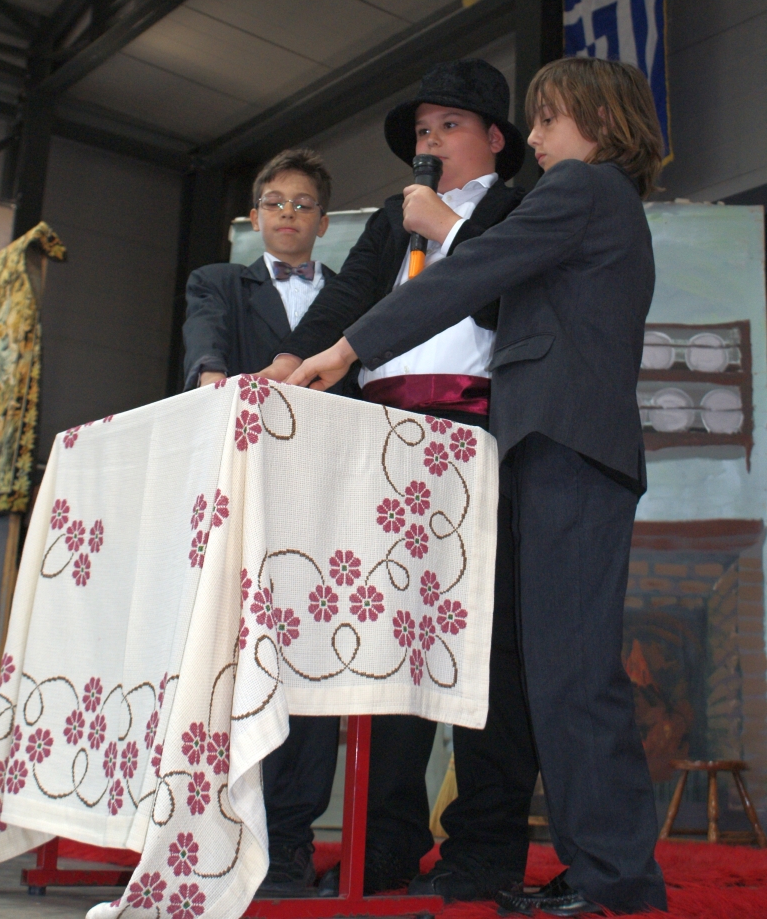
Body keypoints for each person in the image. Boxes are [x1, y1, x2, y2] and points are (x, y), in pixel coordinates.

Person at [285, 58, 668, 916]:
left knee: (574, 677)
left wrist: (348, 349)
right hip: (542, 450)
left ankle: (617, 883)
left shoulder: (584, 189)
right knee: (551, 675)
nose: (535, 137)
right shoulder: (590, 203)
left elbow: (469, 274)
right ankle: (599, 867)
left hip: (567, 447)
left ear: (601, 121)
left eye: (548, 119)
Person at [262, 59, 537, 902]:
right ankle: (383, 841)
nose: (431, 141)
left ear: (494, 138)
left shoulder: (520, 207)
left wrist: (449, 226)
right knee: (386, 639)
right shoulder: (394, 217)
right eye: (423, 129)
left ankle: (484, 848)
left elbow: (509, 305)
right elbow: (345, 300)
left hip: (478, 437)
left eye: (449, 126)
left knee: (485, 646)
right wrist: (287, 362)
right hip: (380, 441)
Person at [182, 148, 341, 896]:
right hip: (245, 495)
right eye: (274, 202)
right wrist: (215, 377)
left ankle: (292, 842)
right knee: (228, 663)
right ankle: (214, 831)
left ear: (324, 221)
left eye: (303, 204)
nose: (287, 214)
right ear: (254, 216)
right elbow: (205, 338)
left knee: (311, 667)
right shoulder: (219, 281)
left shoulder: (351, 297)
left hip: (328, 502)